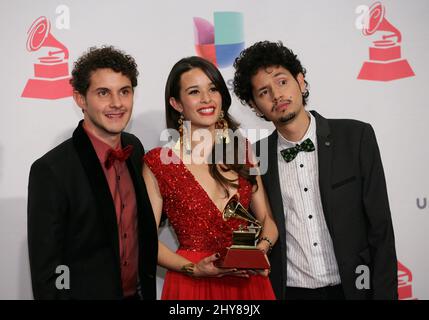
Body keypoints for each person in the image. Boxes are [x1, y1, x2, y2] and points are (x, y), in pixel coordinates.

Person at [232, 41, 398, 300]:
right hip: (292, 292)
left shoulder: (355, 137)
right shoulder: (254, 157)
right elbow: (253, 224)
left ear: (301, 81)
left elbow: (381, 229)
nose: (277, 95)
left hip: (355, 288)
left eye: (282, 81)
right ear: (255, 107)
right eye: (264, 92)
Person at [27, 46, 158, 300]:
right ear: (80, 99)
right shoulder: (51, 170)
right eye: (103, 93)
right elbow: (48, 273)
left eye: (125, 91)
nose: (117, 103)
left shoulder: (135, 148)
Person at [143, 56, 278, 300]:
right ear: (176, 103)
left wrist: (262, 248)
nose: (207, 99)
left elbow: (267, 219)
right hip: (191, 285)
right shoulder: (158, 162)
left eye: (213, 89)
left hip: (247, 283)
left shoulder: (243, 151)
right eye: (194, 91)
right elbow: (146, 241)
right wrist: (193, 269)